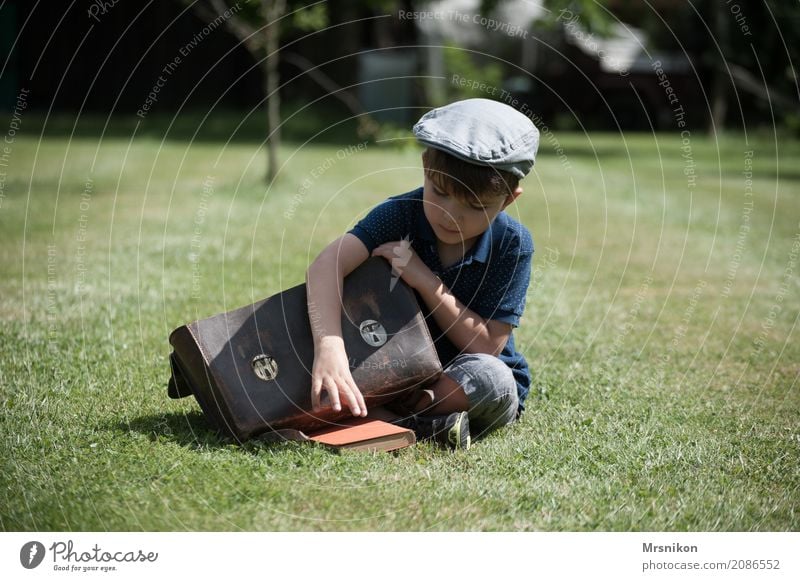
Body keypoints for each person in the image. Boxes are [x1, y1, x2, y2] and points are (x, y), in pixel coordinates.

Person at [305, 98, 539, 450]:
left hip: (460, 381)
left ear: (508, 199)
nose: (451, 216)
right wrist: (330, 347)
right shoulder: (400, 214)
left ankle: (391, 419)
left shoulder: (513, 244)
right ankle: (423, 425)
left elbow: (487, 345)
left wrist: (425, 280)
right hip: (393, 370)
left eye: (475, 206)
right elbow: (327, 265)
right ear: (425, 170)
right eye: (439, 193)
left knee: (494, 379)